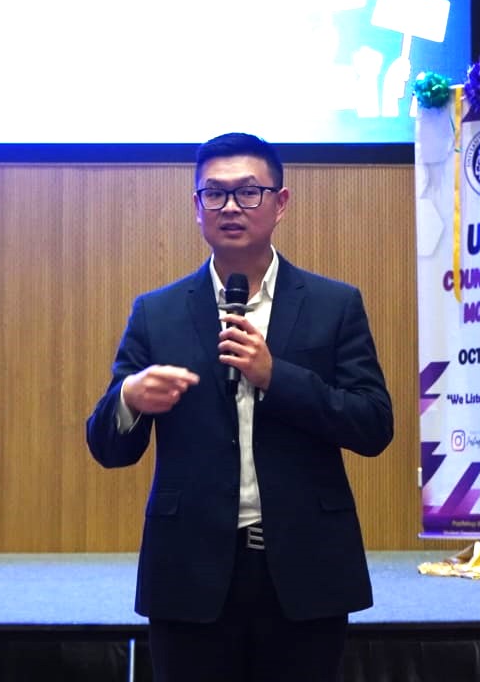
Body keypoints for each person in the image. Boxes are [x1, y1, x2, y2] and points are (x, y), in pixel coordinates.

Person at [85, 132, 394, 682]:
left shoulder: (334, 304)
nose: (231, 206)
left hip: (305, 565)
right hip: (189, 569)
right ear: (196, 205)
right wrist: (130, 399)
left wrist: (277, 377)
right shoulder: (157, 313)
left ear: (281, 203)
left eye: (249, 192)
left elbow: (373, 424)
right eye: (215, 193)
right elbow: (108, 447)